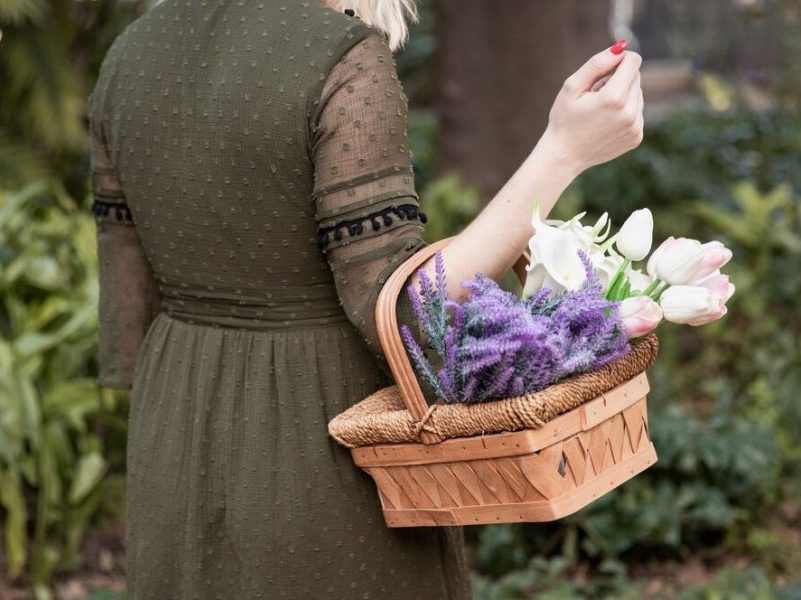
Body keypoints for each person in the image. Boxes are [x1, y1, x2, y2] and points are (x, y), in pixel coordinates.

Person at [87, 0, 643, 597]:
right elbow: (403, 314)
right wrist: (563, 151)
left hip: (176, 418)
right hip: (316, 431)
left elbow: (128, 296)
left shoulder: (130, 54)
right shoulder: (340, 57)